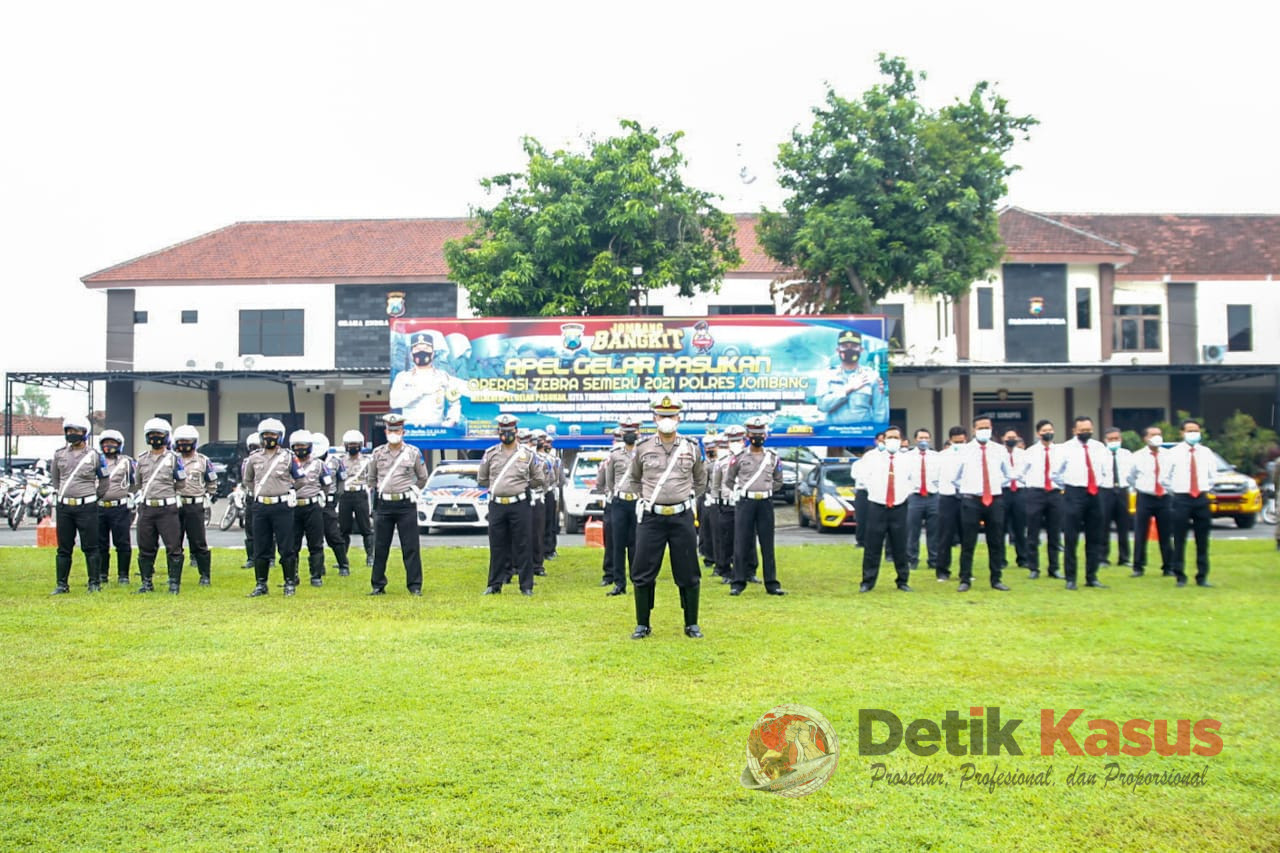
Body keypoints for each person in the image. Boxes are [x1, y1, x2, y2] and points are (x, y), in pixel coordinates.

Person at [626, 393, 706, 639]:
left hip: (682, 517)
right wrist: (646, 499)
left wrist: (686, 497)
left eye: (671, 415)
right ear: (655, 418)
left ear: (679, 418)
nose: (667, 420)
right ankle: (642, 624)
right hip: (652, 518)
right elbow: (634, 479)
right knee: (643, 570)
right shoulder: (643, 448)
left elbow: (701, 479)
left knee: (688, 571)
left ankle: (691, 624)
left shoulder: (691, 447)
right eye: (662, 416)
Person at [478, 414, 544, 596]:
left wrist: (521, 487)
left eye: (509, 430)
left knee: (523, 544)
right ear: (498, 431)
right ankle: (494, 584)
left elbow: (538, 478)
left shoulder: (528, 455)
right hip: (497, 505)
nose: (506, 434)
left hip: (519, 504)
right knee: (497, 545)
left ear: (516, 431)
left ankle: (526, 586)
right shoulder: (490, 454)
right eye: (503, 430)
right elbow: (482, 478)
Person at [365, 413, 428, 595]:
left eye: (397, 430)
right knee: (380, 546)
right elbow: (371, 479)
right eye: (390, 430)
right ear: (386, 432)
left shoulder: (413, 452)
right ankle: (378, 585)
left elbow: (423, 477)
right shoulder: (377, 453)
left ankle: (414, 586)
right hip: (384, 505)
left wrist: (414, 489)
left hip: (405, 505)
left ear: (403, 432)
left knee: (410, 546)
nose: (393, 433)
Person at [726, 415, 786, 597]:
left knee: (768, 544)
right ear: (747, 436)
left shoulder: (773, 457)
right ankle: (738, 582)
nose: (757, 437)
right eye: (753, 434)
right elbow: (729, 479)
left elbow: (778, 480)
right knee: (741, 542)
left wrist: (766, 490)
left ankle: (772, 584)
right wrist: (742, 491)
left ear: (765, 435)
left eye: (760, 433)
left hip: (765, 503)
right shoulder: (739, 457)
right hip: (746, 502)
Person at [243, 418, 303, 597]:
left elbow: (300, 479)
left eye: (273, 435)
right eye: (266, 435)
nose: (269, 438)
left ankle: (289, 583)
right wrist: (259, 493)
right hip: (261, 506)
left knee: (286, 547)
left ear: (280, 437)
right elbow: (248, 480)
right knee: (261, 547)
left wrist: (289, 490)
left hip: (282, 506)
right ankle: (261, 584)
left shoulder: (289, 457)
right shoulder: (254, 458)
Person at [952, 417, 1012, 592]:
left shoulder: (999, 450)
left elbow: (1009, 474)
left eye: (987, 427)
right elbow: (955, 477)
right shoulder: (964, 450)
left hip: (994, 499)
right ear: (973, 430)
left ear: (991, 428)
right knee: (968, 541)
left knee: (996, 541)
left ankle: (996, 579)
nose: (984, 430)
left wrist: (995, 484)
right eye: (980, 427)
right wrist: (969, 488)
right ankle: (965, 579)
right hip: (972, 500)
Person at [49, 415, 107, 594]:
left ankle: (94, 583)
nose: (71, 434)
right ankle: (62, 584)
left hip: (87, 507)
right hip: (64, 507)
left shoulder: (95, 456)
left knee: (91, 546)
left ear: (84, 433)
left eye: (75, 431)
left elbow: (104, 481)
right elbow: (55, 478)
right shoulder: (59, 454)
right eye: (69, 431)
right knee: (64, 548)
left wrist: (94, 497)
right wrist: (62, 494)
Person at [857, 424, 916, 592]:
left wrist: (904, 493)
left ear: (901, 440)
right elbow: (862, 477)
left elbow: (913, 479)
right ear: (883, 440)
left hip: (899, 505)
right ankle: (868, 581)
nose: (892, 441)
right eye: (889, 437)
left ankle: (902, 580)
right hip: (877, 505)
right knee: (872, 546)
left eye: (896, 438)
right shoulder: (872, 457)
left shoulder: (907, 459)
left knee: (900, 545)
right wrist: (875, 491)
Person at [1055, 415, 1111, 590]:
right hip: (1074, 493)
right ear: (1074, 430)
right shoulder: (1065, 448)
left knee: (1094, 537)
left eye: (1088, 430)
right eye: (1082, 430)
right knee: (1071, 538)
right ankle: (1070, 578)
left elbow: (1106, 470)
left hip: (1095, 493)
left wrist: (1099, 483)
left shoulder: (1099, 447)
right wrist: (1068, 486)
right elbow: (1055, 473)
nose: (1085, 432)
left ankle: (1092, 576)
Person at [134, 418, 188, 594]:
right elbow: (138, 482)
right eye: (151, 434)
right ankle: (146, 582)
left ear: (166, 437)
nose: (155, 438)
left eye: (158, 434)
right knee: (145, 546)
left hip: (167, 509)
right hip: (147, 508)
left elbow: (181, 482)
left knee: (173, 547)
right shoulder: (141, 459)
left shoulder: (174, 459)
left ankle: (174, 583)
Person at [1160, 419, 1215, 588]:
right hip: (1181, 498)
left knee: (1202, 539)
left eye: (1196, 430)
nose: (1193, 434)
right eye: (1190, 431)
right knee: (1179, 538)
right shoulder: (1173, 453)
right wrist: (1177, 491)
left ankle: (1202, 576)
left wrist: (1204, 488)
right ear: (1182, 433)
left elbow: (1213, 476)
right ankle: (1180, 575)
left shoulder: (1206, 452)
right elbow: (1164, 478)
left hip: (1201, 498)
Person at [173, 424, 220, 587]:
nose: (184, 444)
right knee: (174, 542)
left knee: (199, 541)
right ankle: (174, 578)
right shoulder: (171, 459)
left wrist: (209, 495)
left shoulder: (203, 460)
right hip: (175, 505)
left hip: (195, 505)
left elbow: (212, 481)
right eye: (181, 441)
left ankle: (205, 576)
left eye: (188, 441)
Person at [388, 332, 464, 427]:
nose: (422, 352)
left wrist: (451, 420)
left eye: (426, 348)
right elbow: (394, 403)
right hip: (410, 431)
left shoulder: (443, 376)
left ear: (432, 353)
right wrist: (421, 390)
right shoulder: (402, 377)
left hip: (437, 430)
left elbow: (455, 403)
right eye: (417, 349)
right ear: (411, 354)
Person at [1127, 425, 1174, 578]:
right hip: (1145, 497)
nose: (1157, 437)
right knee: (1141, 533)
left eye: (1159, 434)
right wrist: (1141, 487)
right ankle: (1138, 567)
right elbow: (1130, 477)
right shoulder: (1137, 456)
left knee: (1166, 533)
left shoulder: (1169, 455)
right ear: (1145, 438)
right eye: (1153, 435)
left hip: (1165, 497)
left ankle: (1169, 566)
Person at [1020, 420, 1064, 580]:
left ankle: (1054, 568)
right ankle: (1033, 568)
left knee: (1055, 532)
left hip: (1055, 493)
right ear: (1038, 433)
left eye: (1050, 430)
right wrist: (1030, 485)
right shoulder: (1030, 452)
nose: (1048, 433)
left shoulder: (1060, 451)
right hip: (1035, 493)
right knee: (1033, 532)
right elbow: (1021, 472)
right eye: (1045, 430)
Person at [816, 329, 888, 425]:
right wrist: (848, 389)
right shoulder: (826, 375)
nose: (849, 350)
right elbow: (822, 406)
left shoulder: (872, 376)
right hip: (833, 432)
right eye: (845, 346)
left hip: (864, 432)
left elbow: (880, 412)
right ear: (838, 350)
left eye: (854, 346)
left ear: (861, 350)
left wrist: (877, 432)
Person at [601, 419, 640, 596]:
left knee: (636, 544)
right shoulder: (615, 455)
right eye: (626, 432)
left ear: (638, 433)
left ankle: (637, 580)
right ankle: (619, 583)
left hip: (638, 502)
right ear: (622, 434)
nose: (629, 434)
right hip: (620, 502)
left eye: (632, 431)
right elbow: (609, 480)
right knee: (617, 543)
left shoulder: (643, 453)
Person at [96, 429, 135, 585]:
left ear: (119, 445)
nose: (109, 445)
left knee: (122, 542)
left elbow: (136, 482)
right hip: (99, 507)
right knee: (100, 543)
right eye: (106, 442)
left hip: (120, 508)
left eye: (112, 442)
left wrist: (130, 497)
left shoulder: (127, 462)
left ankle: (123, 575)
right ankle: (102, 574)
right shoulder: (96, 461)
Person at [933, 426, 968, 582]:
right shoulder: (942, 456)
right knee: (945, 536)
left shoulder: (971, 455)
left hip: (966, 497)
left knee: (967, 537)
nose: (959, 444)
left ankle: (965, 571)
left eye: (962, 441)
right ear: (950, 441)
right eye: (956, 442)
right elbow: (935, 477)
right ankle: (942, 571)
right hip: (947, 498)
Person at [311, 434, 349, 576]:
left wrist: (336, 498)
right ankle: (318, 567)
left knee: (333, 534)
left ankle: (343, 565)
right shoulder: (308, 462)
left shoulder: (335, 462)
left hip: (328, 501)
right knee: (315, 537)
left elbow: (341, 481)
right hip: (312, 501)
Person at [904, 427, 940, 574]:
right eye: (920, 438)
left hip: (933, 496)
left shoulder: (936, 456)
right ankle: (912, 560)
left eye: (926, 438)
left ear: (930, 439)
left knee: (934, 531)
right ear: (915, 439)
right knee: (912, 531)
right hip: (915, 497)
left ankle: (934, 560)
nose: (923, 440)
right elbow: (904, 477)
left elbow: (941, 475)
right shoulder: (907, 457)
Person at [338, 429, 375, 570]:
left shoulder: (367, 461)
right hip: (345, 495)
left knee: (366, 528)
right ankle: (343, 558)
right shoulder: (340, 461)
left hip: (360, 494)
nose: (352, 447)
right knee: (344, 529)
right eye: (350, 444)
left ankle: (370, 556)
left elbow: (372, 477)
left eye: (355, 444)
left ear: (361, 445)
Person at [711, 427, 744, 584]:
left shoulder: (749, 460)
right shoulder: (722, 462)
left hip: (744, 503)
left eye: (738, 440)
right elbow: (716, 485)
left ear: (743, 441)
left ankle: (747, 571)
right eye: (732, 440)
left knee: (746, 540)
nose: (735, 443)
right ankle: (725, 571)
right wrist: (715, 503)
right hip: (727, 504)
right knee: (726, 539)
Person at [1098, 427, 1133, 568]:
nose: (1114, 441)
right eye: (1111, 439)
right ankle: (1102, 557)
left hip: (1122, 490)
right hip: (1105, 490)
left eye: (1116, 439)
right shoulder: (1100, 455)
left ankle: (1124, 558)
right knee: (1103, 525)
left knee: (1124, 526)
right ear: (1105, 440)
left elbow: (1131, 473)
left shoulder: (1127, 454)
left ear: (1121, 439)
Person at [1000, 429, 1029, 571]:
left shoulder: (1023, 454)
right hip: (1003, 491)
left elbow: (1026, 472)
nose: (1011, 439)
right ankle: (1000, 559)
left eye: (1014, 437)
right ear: (1003, 438)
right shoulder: (998, 454)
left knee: (1020, 527)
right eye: (1009, 437)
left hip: (1019, 491)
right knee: (1000, 527)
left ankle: (1023, 558)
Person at [240, 432, 261, 569]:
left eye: (257, 447)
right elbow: (245, 479)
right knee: (250, 528)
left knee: (267, 530)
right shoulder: (247, 462)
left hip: (264, 497)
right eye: (252, 447)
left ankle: (270, 557)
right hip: (251, 496)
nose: (255, 450)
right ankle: (251, 558)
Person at [541, 431, 562, 560]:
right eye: (546, 442)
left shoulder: (555, 459)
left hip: (550, 491)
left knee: (551, 522)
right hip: (539, 492)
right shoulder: (536, 457)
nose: (548, 445)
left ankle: (550, 549)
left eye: (549, 443)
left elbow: (557, 477)